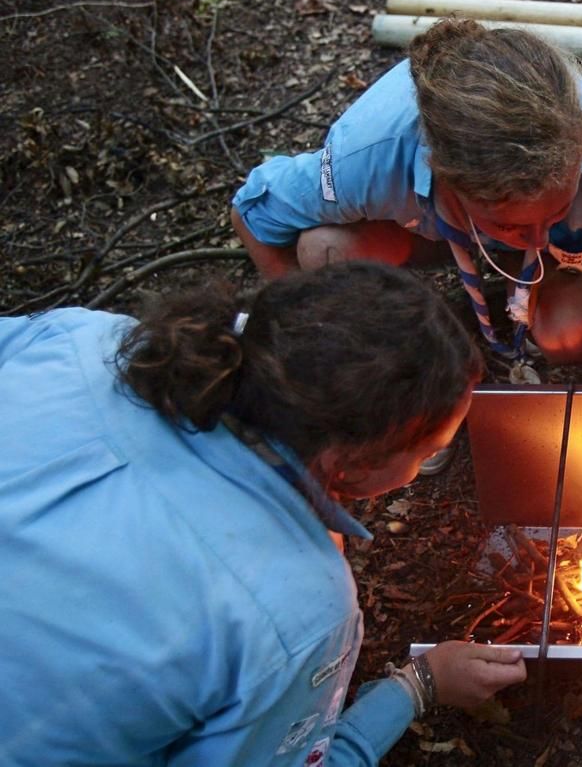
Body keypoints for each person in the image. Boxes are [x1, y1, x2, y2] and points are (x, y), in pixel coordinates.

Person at [0, 262, 526, 766]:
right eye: (427, 450)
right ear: (346, 465)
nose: (423, 466)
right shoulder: (292, 609)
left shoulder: (84, 340)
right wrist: (416, 685)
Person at [230, 18, 582, 557]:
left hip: (557, 234)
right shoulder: (370, 157)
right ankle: (403, 353)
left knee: (570, 336)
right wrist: (319, 357)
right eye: (513, 224)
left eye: (554, 208)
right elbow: (254, 212)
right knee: (326, 250)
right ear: (447, 176)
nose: (534, 235)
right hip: (417, 229)